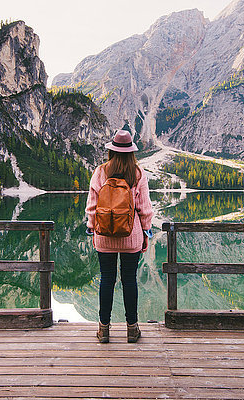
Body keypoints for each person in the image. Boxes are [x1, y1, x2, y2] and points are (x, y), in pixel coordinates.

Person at [85, 129, 154, 343]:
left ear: (111, 151)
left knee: (107, 279)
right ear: (131, 152)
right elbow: (144, 208)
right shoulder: (138, 173)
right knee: (129, 280)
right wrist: (145, 232)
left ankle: (103, 330)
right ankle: (132, 329)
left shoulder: (100, 172)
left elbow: (92, 206)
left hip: (104, 236)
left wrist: (92, 227)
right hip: (130, 235)